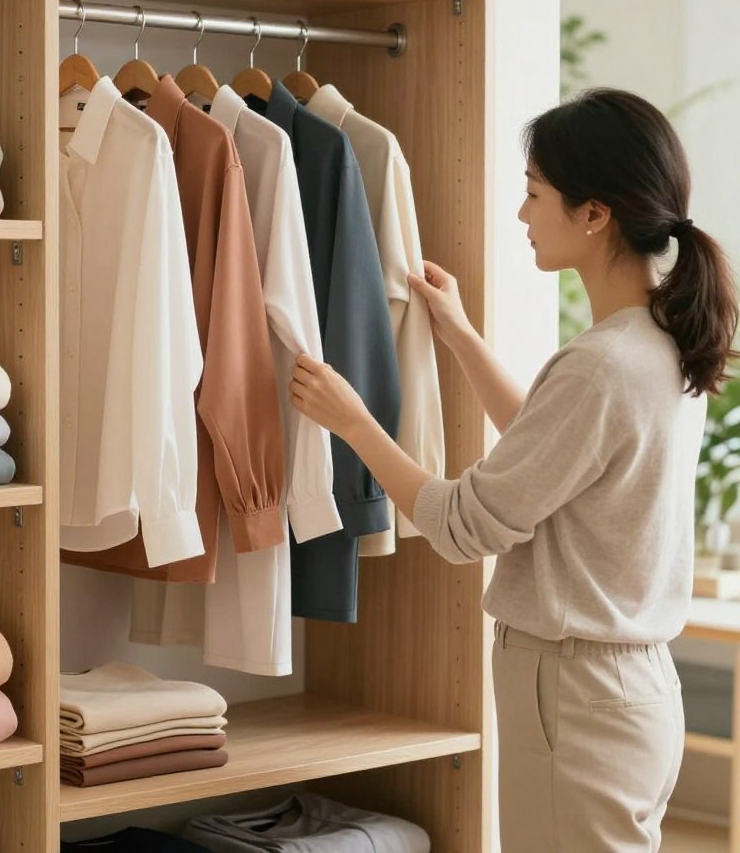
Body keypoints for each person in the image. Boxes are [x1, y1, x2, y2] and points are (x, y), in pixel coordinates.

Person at [290, 88, 738, 853]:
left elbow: (463, 526)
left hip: (578, 698)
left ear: (593, 214)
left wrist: (353, 421)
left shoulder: (601, 365)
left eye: (534, 195)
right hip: (629, 693)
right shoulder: (662, 342)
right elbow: (555, 453)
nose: (521, 215)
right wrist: (461, 337)